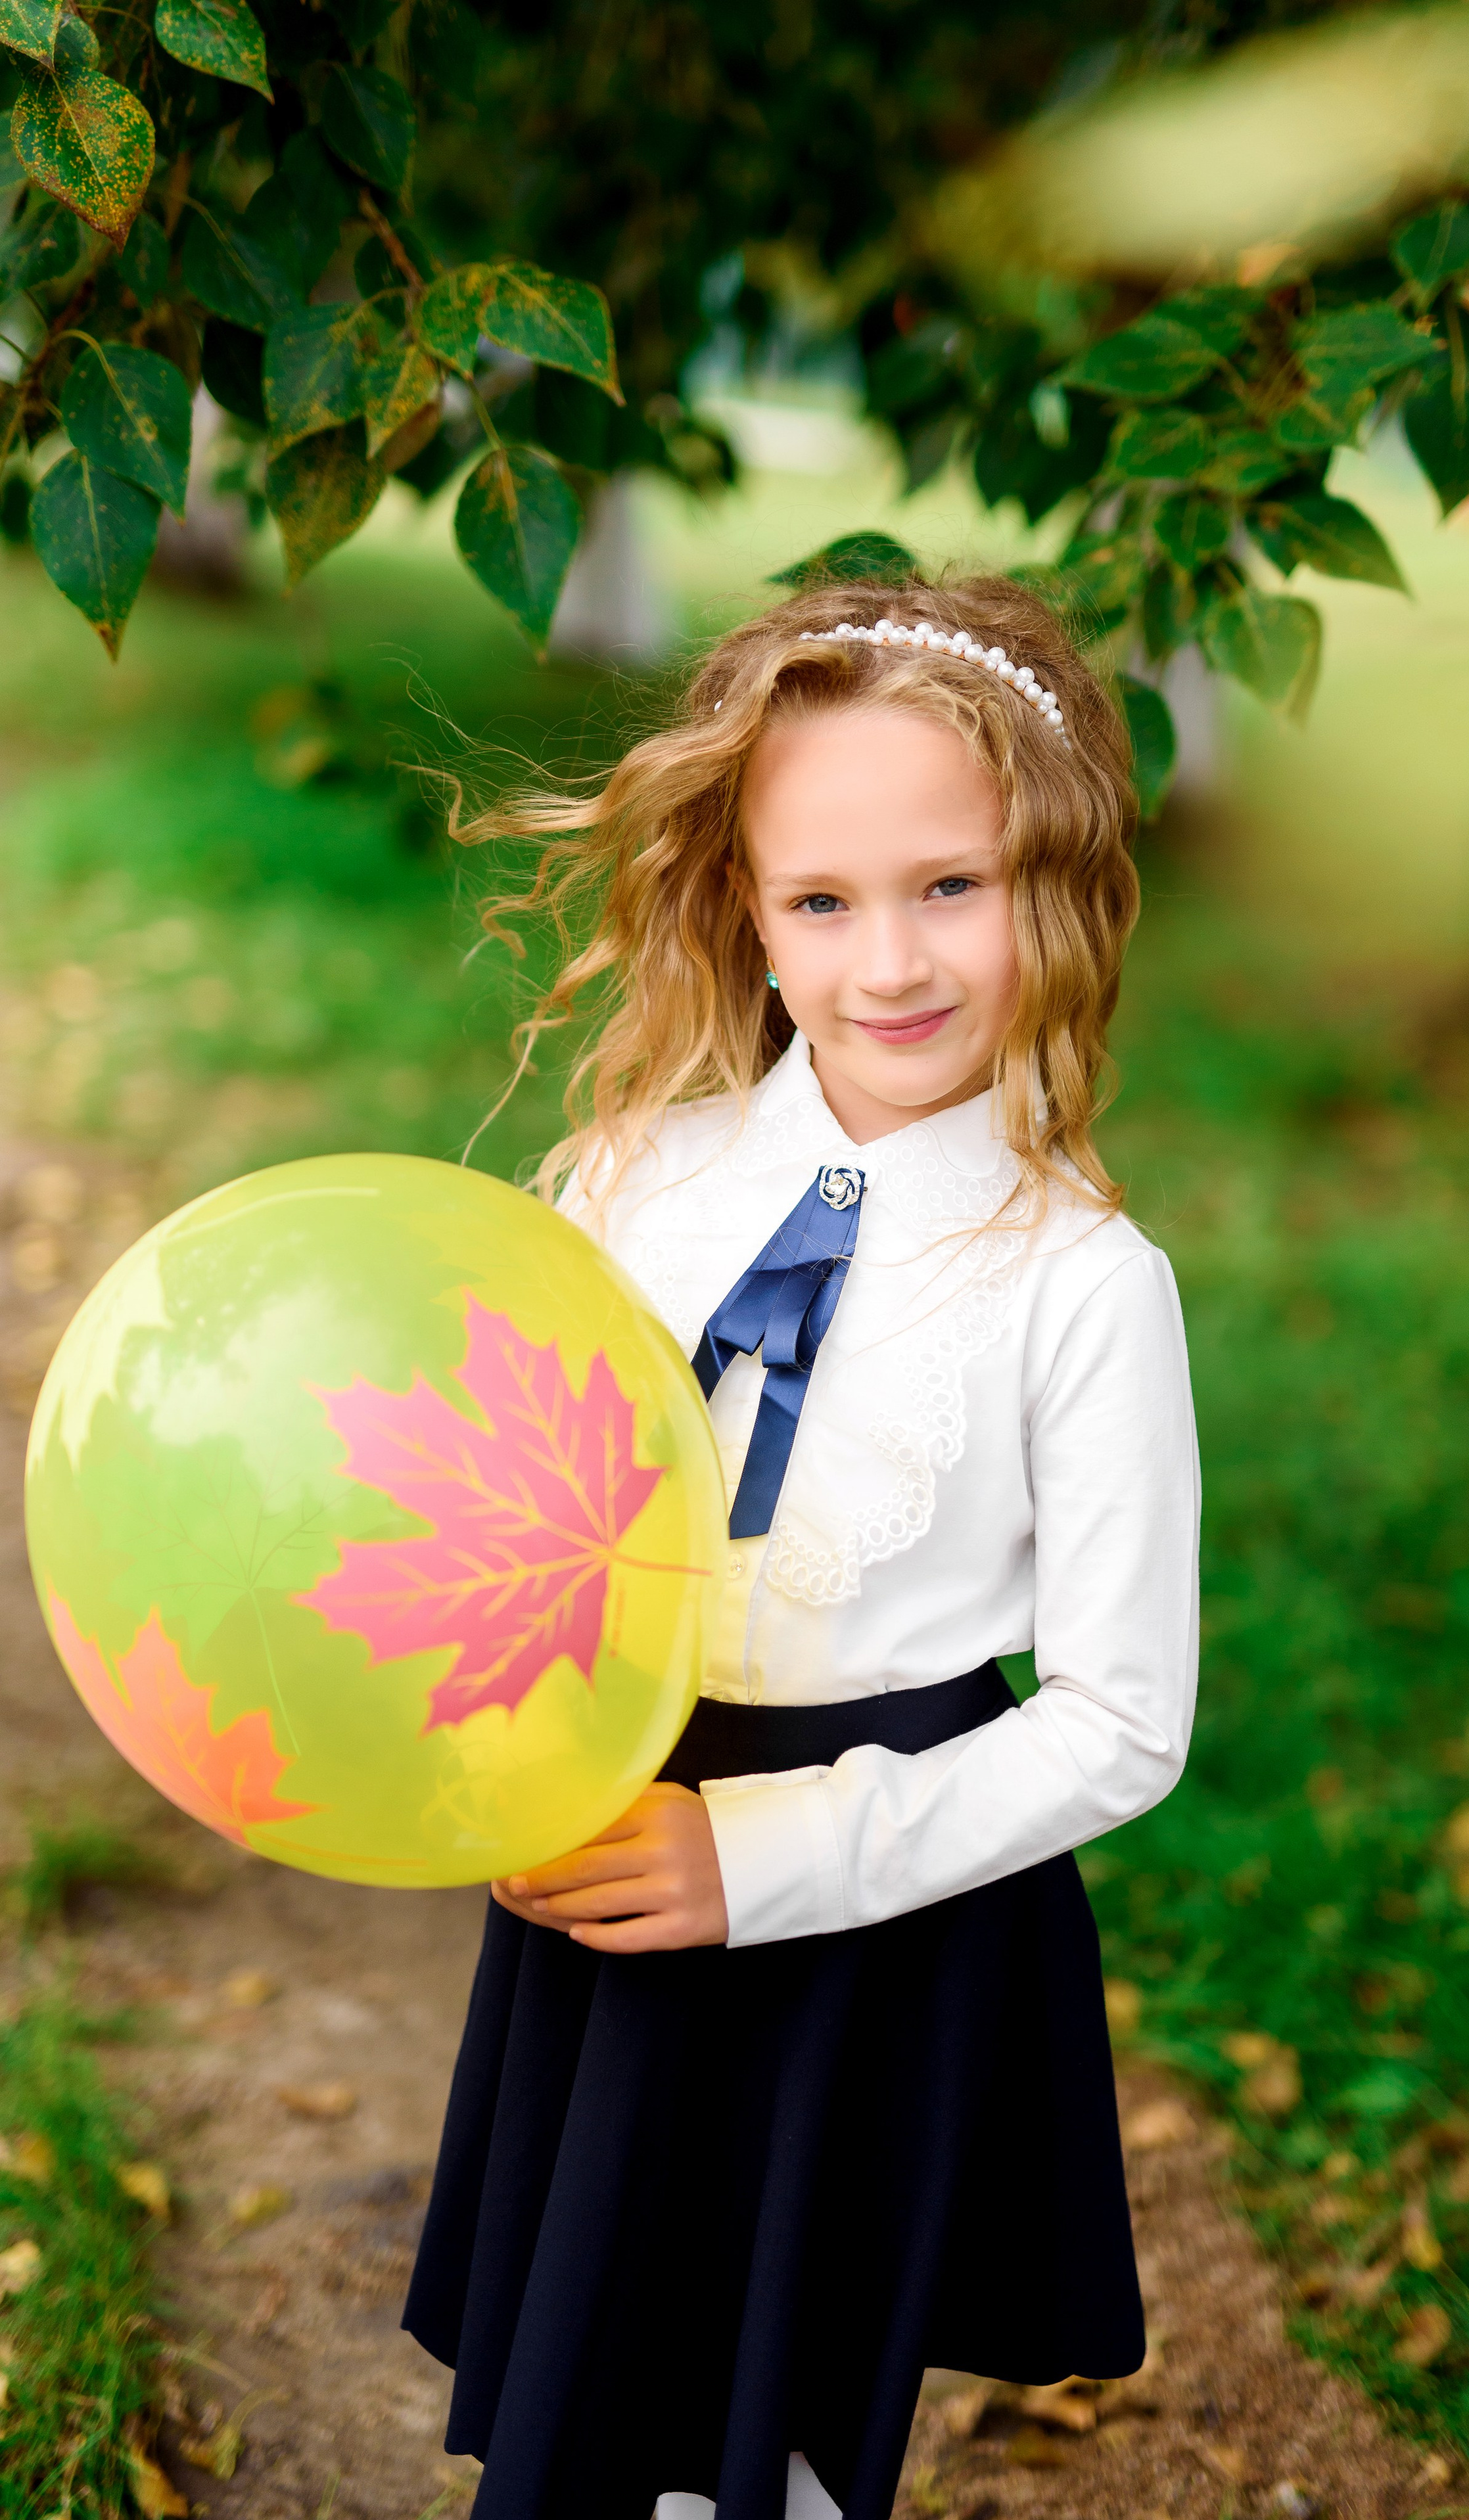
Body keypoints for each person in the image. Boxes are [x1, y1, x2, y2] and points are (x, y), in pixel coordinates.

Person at [402, 574, 1201, 2520]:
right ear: (746, 911)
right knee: (601, 2362)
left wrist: (762, 1859)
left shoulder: (1087, 1282)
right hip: (614, 1845)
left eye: (953, 886)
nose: (891, 962)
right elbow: (522, 1516)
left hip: (875, 1920)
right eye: (823, 901)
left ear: (1055, 885)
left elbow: (1122, 1724)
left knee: (780, 2405)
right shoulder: (626, 1182)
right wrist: (505, 1763)